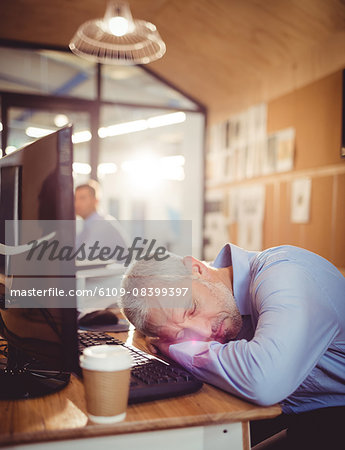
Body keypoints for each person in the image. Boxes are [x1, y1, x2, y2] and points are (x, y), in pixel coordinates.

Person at [120, 243, 345, 449]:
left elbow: (264, 381)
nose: (203, 333)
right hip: (305, 410)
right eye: (184, 334)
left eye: (191, 309)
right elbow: (160, 315)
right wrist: (162, 330)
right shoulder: (220, 298)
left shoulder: (285, 274)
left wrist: (175, 347)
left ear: (197, 268)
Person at [75, 180, 129, 258]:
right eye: (75, 199)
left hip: (117, 269)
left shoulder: (104, 225)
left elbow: (82, 257)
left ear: (95, 201)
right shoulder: (86, 226)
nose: (77, 203)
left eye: (82, 198)